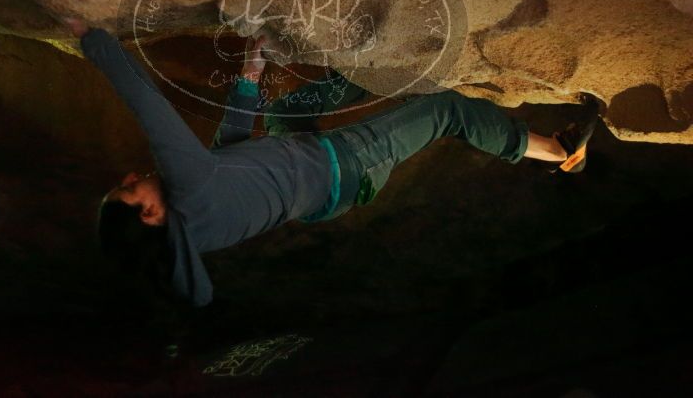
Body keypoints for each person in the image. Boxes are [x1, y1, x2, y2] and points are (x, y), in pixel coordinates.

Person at [65, 18, 598, 307]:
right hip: (343, 172)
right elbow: (150, 111)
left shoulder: (198, 219)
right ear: (151, 216)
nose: (131, 177)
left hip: (300, 170)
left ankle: (371, 67)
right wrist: (94, 40)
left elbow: (232, 150)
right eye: (128, 191)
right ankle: (560, 152)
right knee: (442, 111)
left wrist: (250, 72)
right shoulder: (193, 197)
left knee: (284, 111)